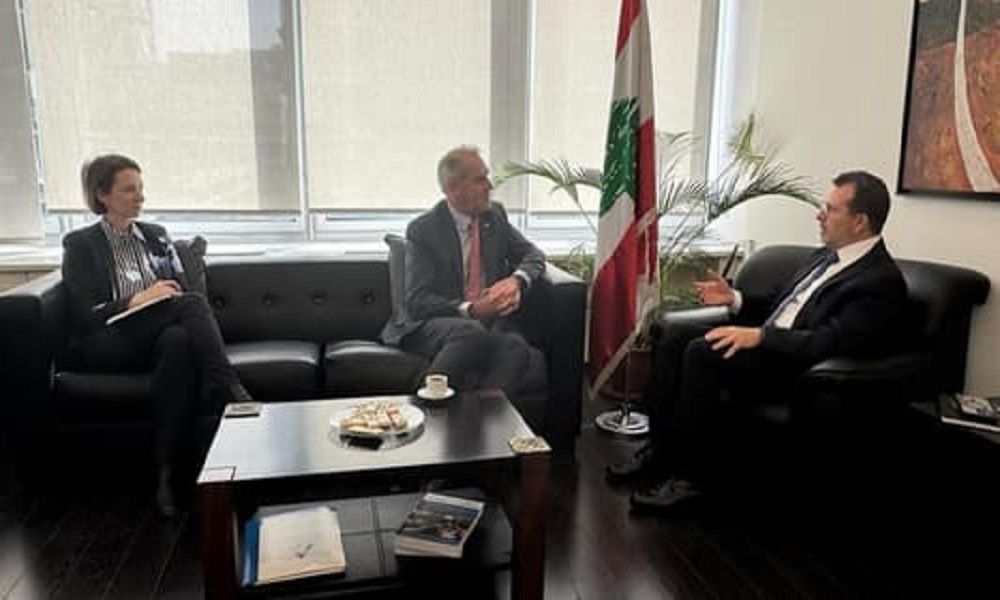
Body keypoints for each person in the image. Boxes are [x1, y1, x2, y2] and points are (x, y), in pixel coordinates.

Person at [607, 170, 907, 510]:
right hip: (770, 347)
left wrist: (762, 337)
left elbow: (830, 340)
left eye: (830, 209)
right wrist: (734, 299)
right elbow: (782, 307)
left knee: (703, 352)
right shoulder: (825, 256)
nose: (819, 215)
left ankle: (693, 479)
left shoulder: (880, 280)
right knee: (674, 335)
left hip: (801, 369)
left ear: (860, 222)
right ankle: (660, 452)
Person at [62, 154, 253, 517]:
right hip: (109, 339)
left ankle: (167, 477)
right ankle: (226, 386)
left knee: (178, 342)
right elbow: (84, 314)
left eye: (141, 188)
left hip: (158, 333)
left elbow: (177, 288)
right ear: (102, 195)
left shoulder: (155, 236)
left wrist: (162, 296)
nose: (140, 197)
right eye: (128, 190)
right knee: (192, 305)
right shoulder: (80, 244)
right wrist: (136, 299)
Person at [382, 146, 545, 400]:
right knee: (470, 331)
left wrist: (516, 280)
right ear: (453, 189)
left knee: (516, 346)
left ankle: (483, 418)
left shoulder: (494, 216)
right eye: (480, 179)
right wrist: (472, 309)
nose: (490, 185)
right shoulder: (424, 229)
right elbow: (418, 300)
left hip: (484, 324)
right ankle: (423, 408)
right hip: (431, 322)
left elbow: (533, 254)